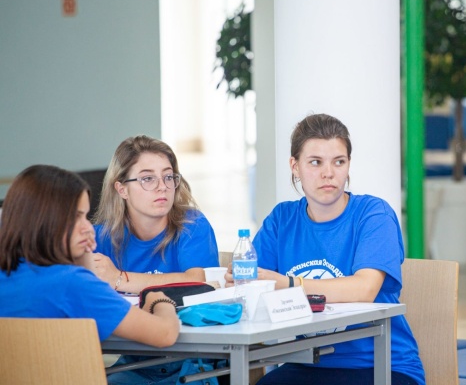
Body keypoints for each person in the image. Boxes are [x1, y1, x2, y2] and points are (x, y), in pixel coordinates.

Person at [227, 114, 425, 385]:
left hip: (381, 364)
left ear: (348, 165)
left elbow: (364, 289)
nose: (328, 173)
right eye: (315, 162)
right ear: (295, 166)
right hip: (309, 361)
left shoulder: (373, 214)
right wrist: (240, 280)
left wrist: (286, 284)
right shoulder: (282, 219)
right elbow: (252, 285)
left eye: (338, 162)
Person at [0, 165, 180, 349]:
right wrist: (159, 301)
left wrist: (84, 256)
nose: (87, 227)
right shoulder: (73, 284)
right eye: (76, 217)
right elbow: (165, 334)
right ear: (45, 220)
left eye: (85, 217)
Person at [92, 135, 221, 385]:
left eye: (168, 176)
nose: (162, 186)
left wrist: (118, 278)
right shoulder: (101, 236)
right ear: (122, 189)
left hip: (193, 361)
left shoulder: (192, 224)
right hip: (134, 363)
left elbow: (196, 281)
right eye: (147, 178)